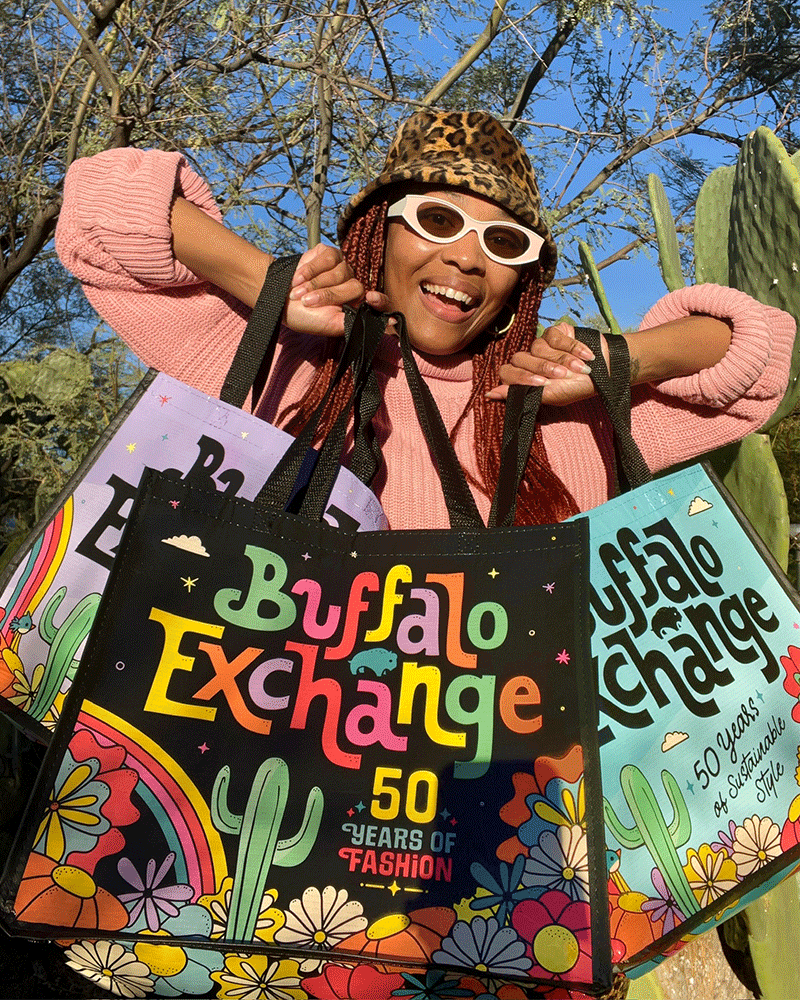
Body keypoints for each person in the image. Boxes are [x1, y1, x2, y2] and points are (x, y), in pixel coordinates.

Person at [56, 109, 795, 529]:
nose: (468, 258)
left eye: (504, 242)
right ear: (379, 235)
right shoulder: (281, 358)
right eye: (437, 219)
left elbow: (760, 351)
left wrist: (622, 360)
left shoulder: (559, 411)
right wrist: (271, 287)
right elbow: (98, 205)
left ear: (522, 281)